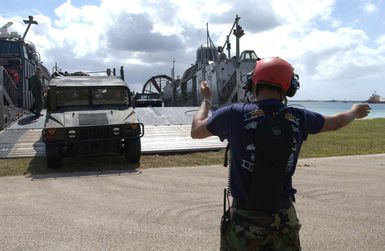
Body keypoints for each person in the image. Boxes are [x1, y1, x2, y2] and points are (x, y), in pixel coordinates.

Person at [190, 57, 371, 250]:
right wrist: (354, 112)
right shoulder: (299, 117)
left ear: (253, 83)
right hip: (284, 218)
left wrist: (207, 99)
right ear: (288, 88)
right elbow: (336, 122)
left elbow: (196, 130)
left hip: (245, 220)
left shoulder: (233, 114)